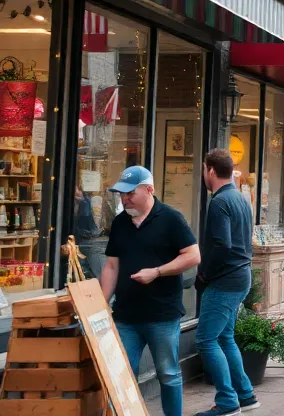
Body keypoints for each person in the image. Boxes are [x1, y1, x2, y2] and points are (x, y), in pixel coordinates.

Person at [101, 166, 201, 416]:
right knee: (123, 376)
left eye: (130, 193)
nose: (124, 199)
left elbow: (193, 255)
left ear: (149, 190)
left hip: (162, 315)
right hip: (125, 316)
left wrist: (156, 271)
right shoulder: (120, 222)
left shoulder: (171, 218)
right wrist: (101, 304)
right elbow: (112, 265)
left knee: (168, 374)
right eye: (121, 194)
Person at [194, 150, 257, 416]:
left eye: (203, 169)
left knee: (206, 339)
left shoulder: (219, 202)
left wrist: (204, 274)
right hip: (241, 275)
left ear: (210, 170)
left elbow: (221, 245)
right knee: (225, 336)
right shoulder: (241, 198)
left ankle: (227, 402)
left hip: (225, 280)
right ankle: (246, 395)